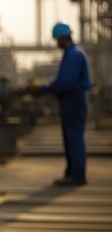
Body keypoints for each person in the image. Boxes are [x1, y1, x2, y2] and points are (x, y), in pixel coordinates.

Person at [27, 22, 92, 186]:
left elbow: (66, 82)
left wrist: (43, 89)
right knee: (72, 137)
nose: (57, 43)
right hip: (73, 101)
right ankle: (72, 172)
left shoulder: (73, 55)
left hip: (73, 101)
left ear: (63, 38)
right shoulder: (74, 53)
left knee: (74, 137)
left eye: (57, 40)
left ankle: (77, 174)